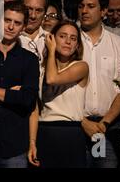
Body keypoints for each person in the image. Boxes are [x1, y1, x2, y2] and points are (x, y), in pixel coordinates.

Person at [0, 1, 39, 168]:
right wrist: (9, 95)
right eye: (7, 20)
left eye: (17, 23)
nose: (11, 26)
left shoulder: (30, 60)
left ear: (24, 27)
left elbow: (27, 99)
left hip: (14, 148)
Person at [78, 0, 120, 168]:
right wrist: (82, 122)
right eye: (81, 6)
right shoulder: (69, 41)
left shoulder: (119, 44)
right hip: (75, 126)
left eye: (91, 6)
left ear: (103, 11)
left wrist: (104, 123)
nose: (84, 11)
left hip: (106, 128)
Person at [29, 21, 89, 168]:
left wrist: (51, 51)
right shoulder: (41, 70)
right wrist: (32, 142)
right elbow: (35, 108)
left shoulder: (81, 66)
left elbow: (52, 79)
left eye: (73, 38)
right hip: (44, 131)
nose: (68, 41)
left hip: (70, 133)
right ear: (52, 38)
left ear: (77, 45)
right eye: (62, 36)